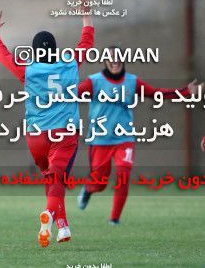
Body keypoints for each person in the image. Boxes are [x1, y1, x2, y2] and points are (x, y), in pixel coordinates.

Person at [0, 0, 94, 247]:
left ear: (34, 52)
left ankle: (62, 227)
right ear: (56, 50)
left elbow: (1, 53)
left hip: (36, 136)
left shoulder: (27, 69)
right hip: (64, 133)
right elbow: (86, 43)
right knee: (57, 179)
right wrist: (86, 15)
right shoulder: (69, 65)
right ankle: (48, 214)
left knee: (52, 179)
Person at [77, 46, 203, 225]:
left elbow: (156, 94)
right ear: (105, 61)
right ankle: (89, 189)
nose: (114, 61)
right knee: (100, 183)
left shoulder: (132, 82)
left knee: (123, 175)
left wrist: (186, 91)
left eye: (118, 58)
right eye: (110, 58)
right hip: (100, 139)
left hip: (124, 139)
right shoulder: (94, 82)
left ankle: (114, 219)